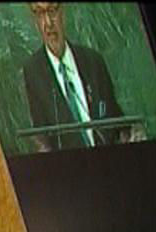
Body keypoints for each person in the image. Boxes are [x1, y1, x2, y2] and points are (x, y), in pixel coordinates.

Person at [21, 2, 132, 152]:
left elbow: (116, 119)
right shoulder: (33, 72)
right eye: (40, 13)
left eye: (52, 11)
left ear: (63, 11)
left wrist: (131, 135)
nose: (48, 23)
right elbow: (41, 137)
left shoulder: (93, 61)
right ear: (34, 20)